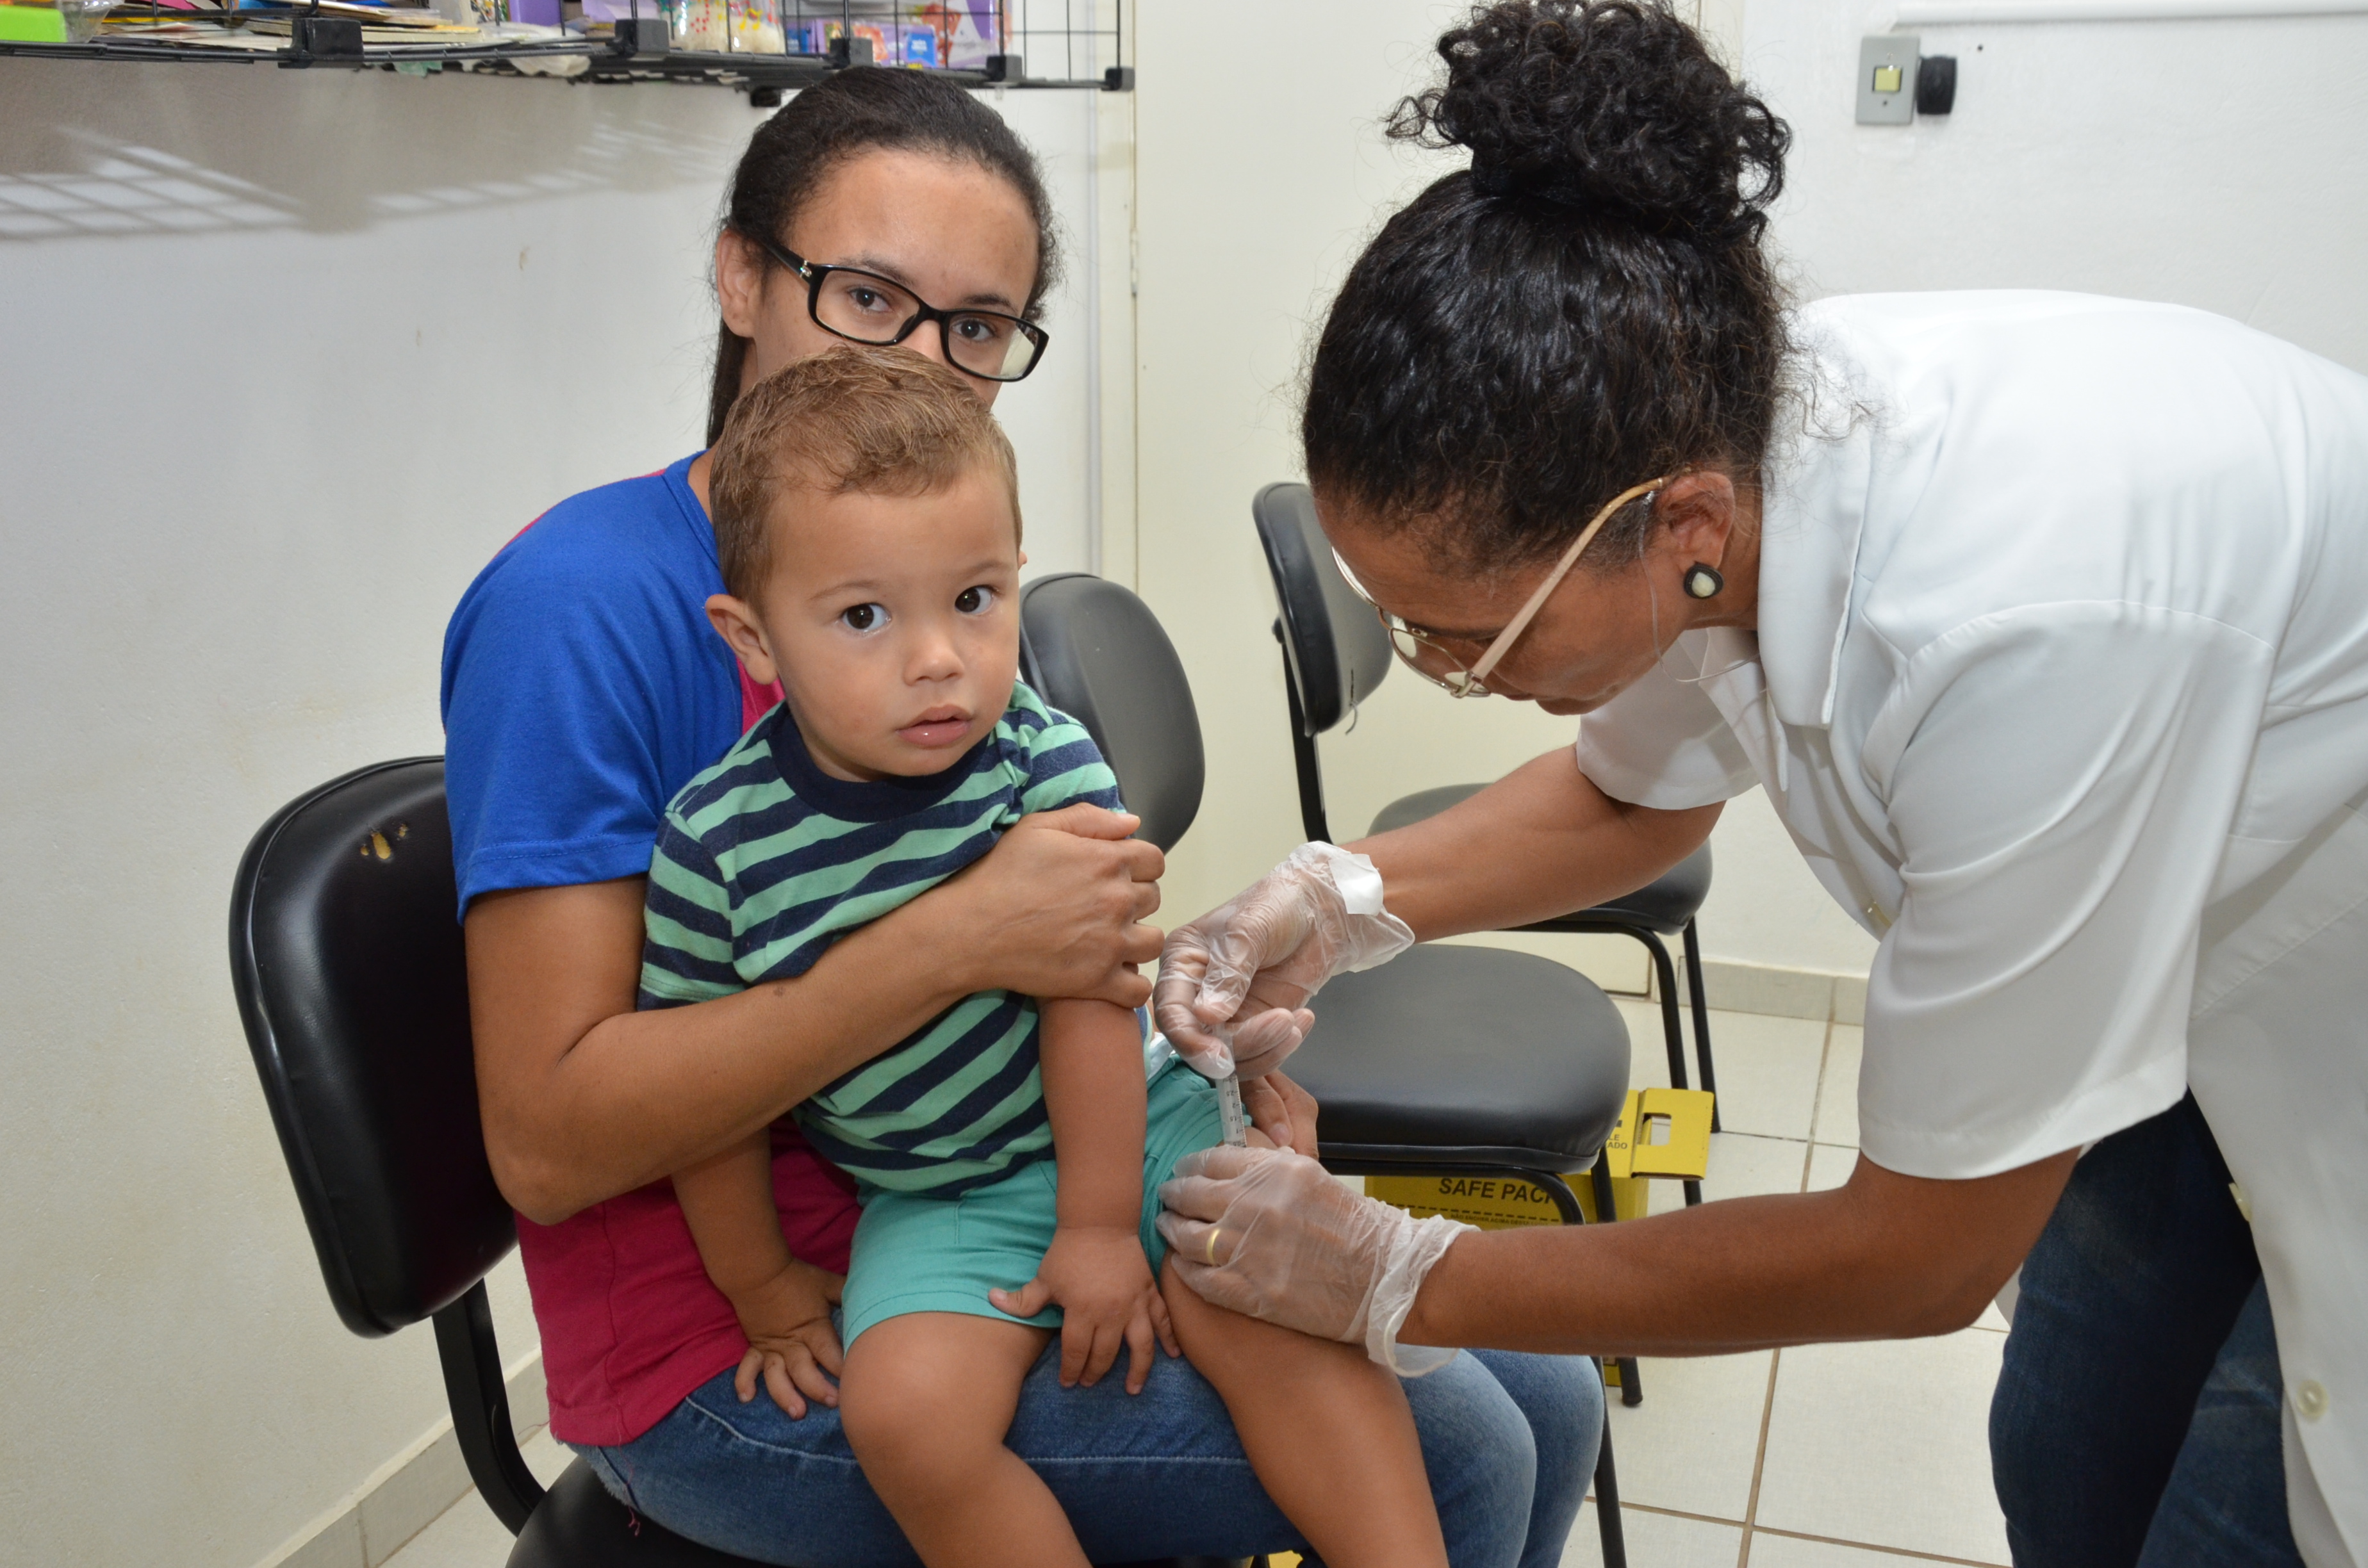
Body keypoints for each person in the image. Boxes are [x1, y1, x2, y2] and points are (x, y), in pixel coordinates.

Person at [1149, 5, 2368, 1568]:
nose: (1450, 674)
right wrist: (1335, 896)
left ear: (1682, 524)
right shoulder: (1722, 437)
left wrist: (1399, 1272)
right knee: (2071, 1450)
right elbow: (1630, 799)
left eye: (1470, 640)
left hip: (2330, 1024)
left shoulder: (2020, 626)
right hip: (2189, 1013)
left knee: (2235, 1515)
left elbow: (1915, 1254)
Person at [440, 65, 1597, 1567]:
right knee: (1461, 1455)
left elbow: (1046, 933)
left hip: (994, 1182)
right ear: (740, 273)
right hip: (737, 1340)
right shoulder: (580, 605)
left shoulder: (938, 607)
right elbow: (545, 1143)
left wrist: (1202, 1061)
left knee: (1555, 1393)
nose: (926, 365)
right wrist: (957, 942)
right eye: (868, 296)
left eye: (978, 327)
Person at [649, 345, 1449, 1568]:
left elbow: (1091, 1003)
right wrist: (759, 1282)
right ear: (752, 641)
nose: (937, 659)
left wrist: (1096, 1228)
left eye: (974, 600)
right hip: (938, 1196)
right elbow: (707, 1096)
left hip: (1143, 1118)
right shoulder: (715, 844)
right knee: (906, 1420)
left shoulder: (1042, 759)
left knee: (1270, 1314)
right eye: (865, 616)